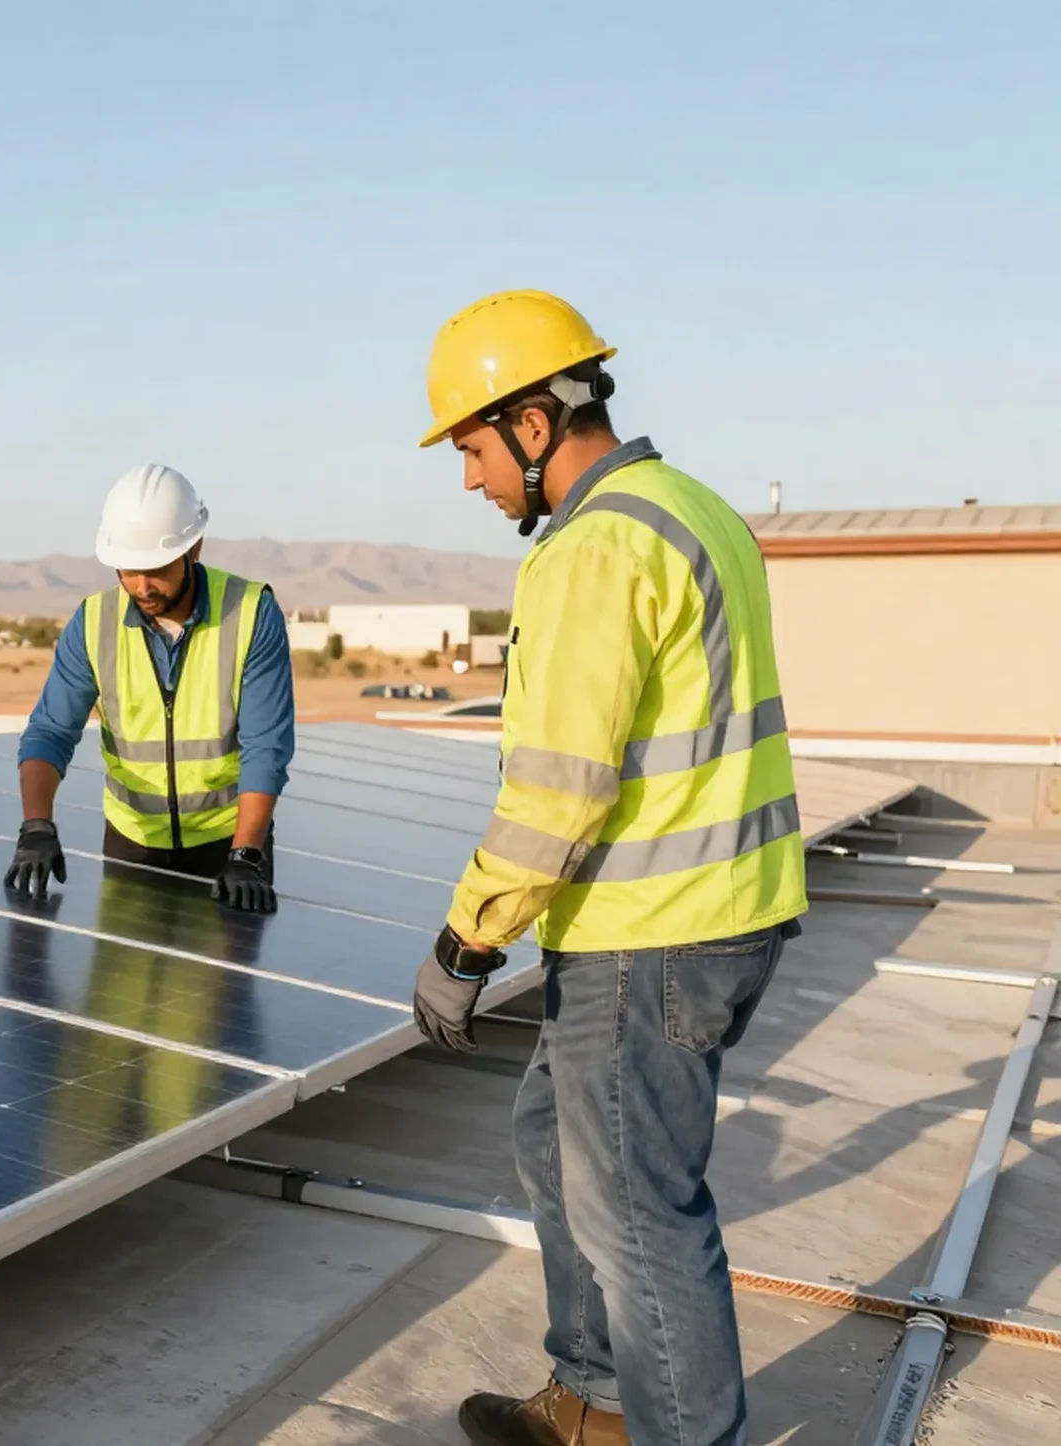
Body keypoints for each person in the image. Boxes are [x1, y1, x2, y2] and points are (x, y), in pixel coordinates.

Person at [406, 291, 806, 1446]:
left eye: (474, 447)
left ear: (535, 423)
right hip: (718, 910)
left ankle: (663, 1426)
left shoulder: (590, 551)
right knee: (553, 1142)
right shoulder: (695, 510)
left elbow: (556, 793)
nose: (470, 479)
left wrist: (463, 941)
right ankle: (591, 1401)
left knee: (637, 1214)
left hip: (651, 930)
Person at [7, 464, 295, 912]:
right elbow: (50, 732)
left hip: (230, 848)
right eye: (129, 569)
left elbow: (267, 748)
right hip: (131, 846)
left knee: (219, 983)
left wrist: (247, 855)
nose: (142, 585)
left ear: (193, 548)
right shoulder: (93, 622)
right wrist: (36, 827)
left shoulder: (251, 613)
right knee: (121, 980)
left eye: (157, 568)